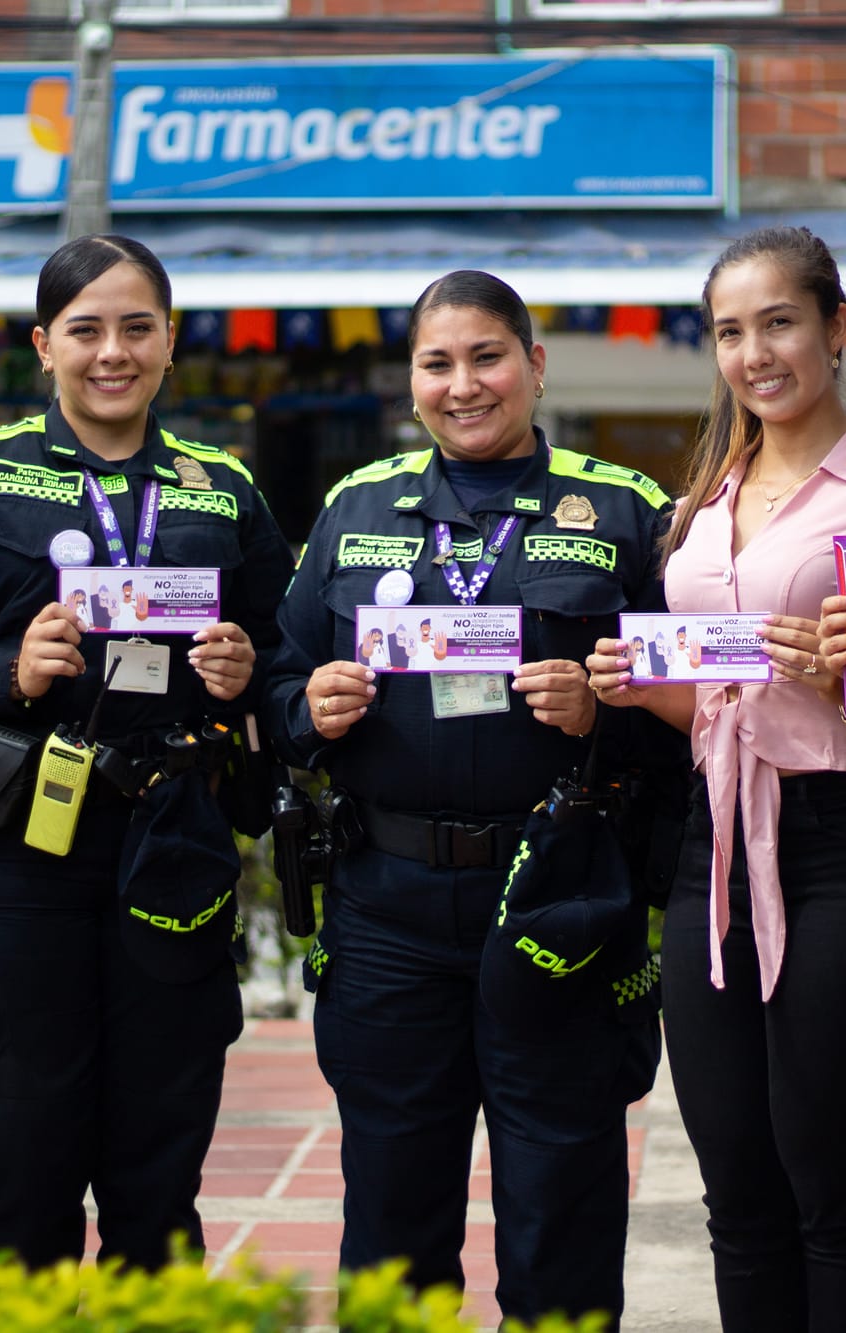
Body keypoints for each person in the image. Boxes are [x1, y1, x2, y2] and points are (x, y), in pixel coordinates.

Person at [585, 225, 846, 1331]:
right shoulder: (702, 506)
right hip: (709, 849)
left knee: (829, 1184)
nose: (755, 352)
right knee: (737, 1194)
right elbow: (707, 704)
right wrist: (637, 681)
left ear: (835, 329)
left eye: (777, 323)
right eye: (728, 331)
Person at [0, 234, 292, 1272]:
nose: (113, 352)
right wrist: (0, 674)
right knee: (22, 1167)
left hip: (174, 842)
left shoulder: (224, 486)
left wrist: (245, 671)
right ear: (43, 345)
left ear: (169, 343)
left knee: (159, 1174)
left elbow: (289, 657)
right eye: (87, 329)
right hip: (16, 847)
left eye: (135, 327)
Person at [267, 269, 670, 1327]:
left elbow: (688, 709)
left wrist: (604, 714)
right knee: (393, 1226)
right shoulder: (354, 510)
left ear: (533, 365)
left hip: (555, 906)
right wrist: (309, 705)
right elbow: (271, 680)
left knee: (562, 1208)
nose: (462, 384)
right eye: (436, 364)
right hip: (385, 908)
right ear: (411, 380)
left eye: (486, 356)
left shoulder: (624, 511)